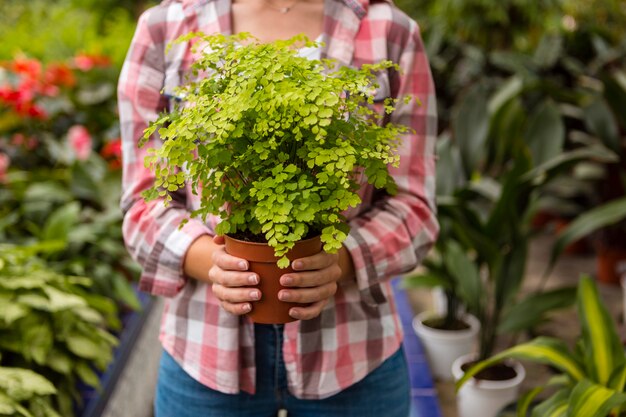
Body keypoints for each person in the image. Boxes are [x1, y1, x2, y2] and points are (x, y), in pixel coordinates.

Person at [117, 0, 438, 415]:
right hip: (204, 353)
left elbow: (416, 207)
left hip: (354, 353)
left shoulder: (390, 29)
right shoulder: (165, 27)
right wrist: (211, 262)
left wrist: (341, 260)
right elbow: (143, 203)